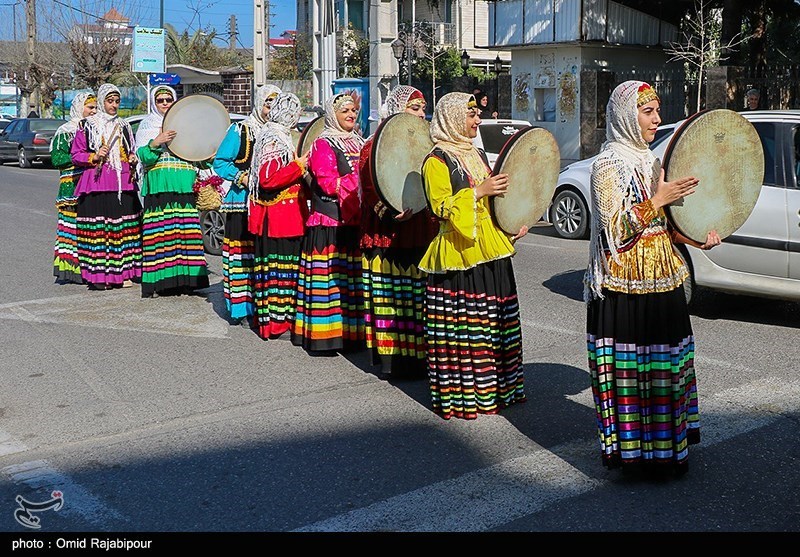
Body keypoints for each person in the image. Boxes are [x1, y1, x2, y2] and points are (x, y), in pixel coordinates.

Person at [584, 80, 721, 477]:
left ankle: (667, 450)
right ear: (627, 117)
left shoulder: (653, 162)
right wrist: (657, 199)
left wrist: (698, 238)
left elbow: (665, 224)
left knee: (665, 366)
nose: (657, 119)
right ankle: (633, 456)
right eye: (648, 112)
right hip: (622, 283)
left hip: (663, 275)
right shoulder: (606, 167)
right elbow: (614, 231)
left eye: (658, 110)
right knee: (631, 368)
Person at [419, 92, 528, 420]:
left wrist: (508, 225)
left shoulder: (477, 154)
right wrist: (478, 192)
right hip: (459, 253)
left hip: (491, 249)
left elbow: (493, 201)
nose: (477, 120)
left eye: (476, 114)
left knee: (497, 322)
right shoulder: (435, 161)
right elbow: (440, 208)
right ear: (452, 118)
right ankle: (467, 396)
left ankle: (500, 389)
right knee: (468, 328)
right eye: (470, 115)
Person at [359, 85, 438, 379]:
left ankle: (419, 357)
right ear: (397, 109)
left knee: (418, 297)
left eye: (422, 109)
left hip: (419, 228)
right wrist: (391, 213)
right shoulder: (374, 144)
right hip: (387, 231)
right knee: (391, 297)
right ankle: (392, 360)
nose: (421, 114)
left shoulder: (427, 145)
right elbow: (369, 188)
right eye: (414, 108)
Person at [292, 93, 366, 353]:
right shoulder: (323, 144)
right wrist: (360, 185)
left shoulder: (359, 141)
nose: (351, 115)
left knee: (351, 280)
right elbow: (326, 182)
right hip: (330, 222)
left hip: (354, 222)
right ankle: (327, 336)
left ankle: (352, 334)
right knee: (331, 283)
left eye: (354, 111)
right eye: (345, 110)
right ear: (332, 114)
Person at [213, 84, 281, 325]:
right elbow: (220, 162)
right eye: (267, 103)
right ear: (259, 103)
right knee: (242, 254)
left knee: (264, 255)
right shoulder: (241, 130)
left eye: (275, 103)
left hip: (270, 203)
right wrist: (240, 177)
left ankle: (265, 306)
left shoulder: (281, 134)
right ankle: (242, 308)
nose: (271, 108)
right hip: (241, 202)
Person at [135, 85, 210, 298]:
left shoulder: (186, 124)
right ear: (153, 103)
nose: (166, 103)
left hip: (184, 184)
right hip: (159, 184)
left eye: (169, 99)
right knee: (161, 235)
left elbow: (200, 157)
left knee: (185, 235)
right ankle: (161, 282)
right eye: (161, 100)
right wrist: (155, 143)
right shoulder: (148, 125)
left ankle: (188, 281)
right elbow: (144, 158)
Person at [248, 92, 310, 339]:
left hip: (286, 214)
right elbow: (268, 178)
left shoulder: (278, 135)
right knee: (279, 271)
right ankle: (277, 323)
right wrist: (299, 165)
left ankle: (280, 320)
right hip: (279, 216)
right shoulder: (273, 138)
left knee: (283, 270)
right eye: (294, 112)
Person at [71, 83, 141, 290]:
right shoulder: (86, 125)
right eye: (110, 101)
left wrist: (132, 157)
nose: (114, 105)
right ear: (102, 102)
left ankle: (124, 274)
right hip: (97, 183)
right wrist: (94, 156)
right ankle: (100, 277)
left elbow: (131, 149)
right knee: (100, 231)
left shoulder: (124, 126)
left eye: (117, 101)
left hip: (123, 184)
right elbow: (76, 155)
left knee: (124, 231)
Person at [51, 91, 97, 284]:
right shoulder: (65, 130)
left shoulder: (96, 129)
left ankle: (90, 268)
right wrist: (80, 158)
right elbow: (57, 159)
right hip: (71, 186)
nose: (94, 111)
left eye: (96, 107)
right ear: (80, 108)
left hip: (91, 184)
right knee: (71, 228)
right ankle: (70, 270)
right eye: (90, 107)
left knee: (89, 227)